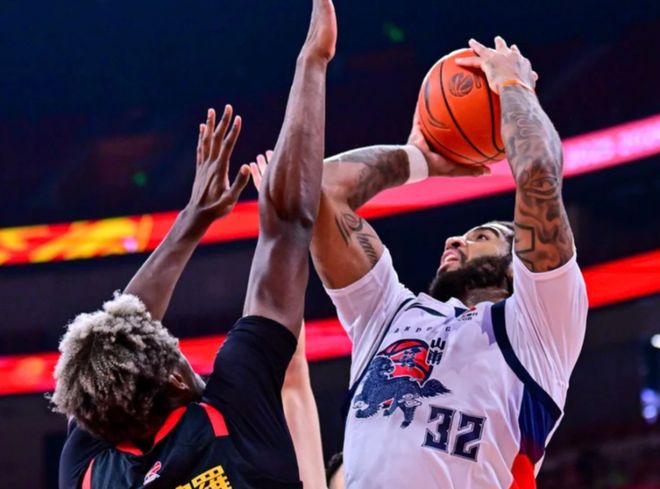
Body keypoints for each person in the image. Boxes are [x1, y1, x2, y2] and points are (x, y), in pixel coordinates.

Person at [51, 0, 337, 487]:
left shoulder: (88, 472)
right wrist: (313, 61)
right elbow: (291, 224)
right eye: (175, 350)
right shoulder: (232, 411)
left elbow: (110, 354)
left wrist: (193, 220)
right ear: (175, 379)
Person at [309, 37, 588, 488]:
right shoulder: (386, 314)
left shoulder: (537, 329)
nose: (455, 238)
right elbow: (320, 191)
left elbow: (538, 173)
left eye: (482, 236)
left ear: (516, 267)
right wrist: (418, 160)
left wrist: (513, 85)